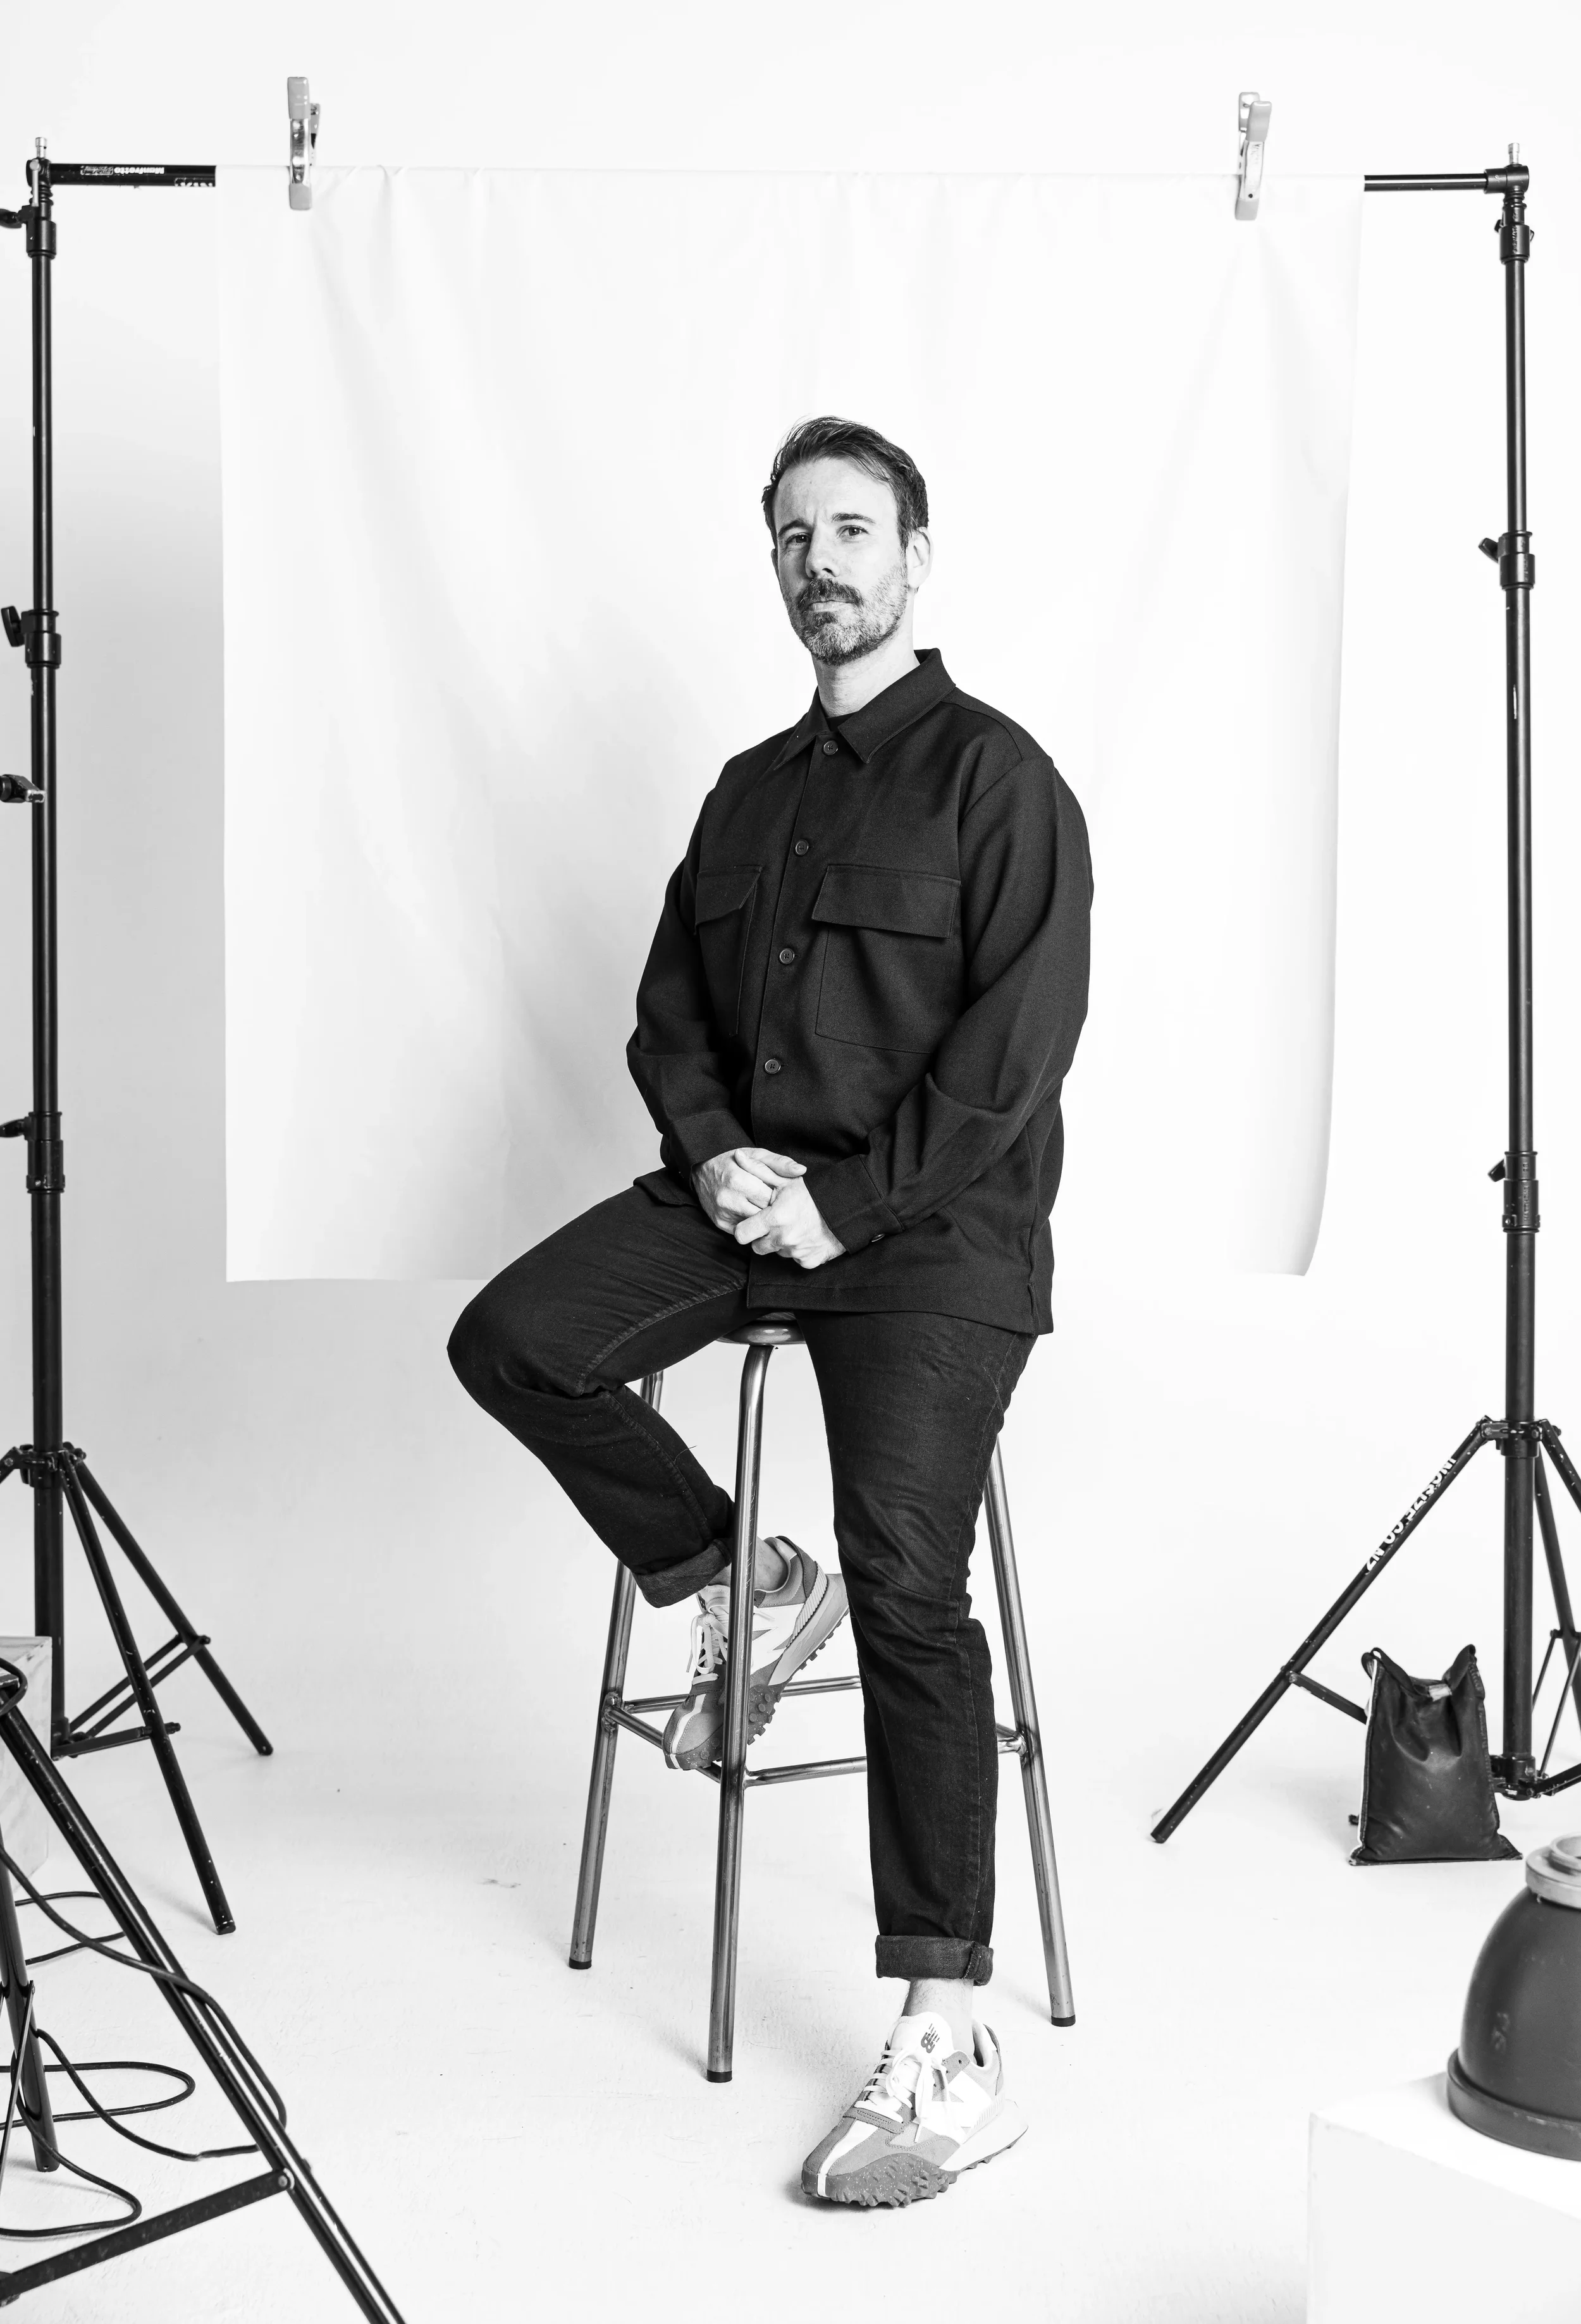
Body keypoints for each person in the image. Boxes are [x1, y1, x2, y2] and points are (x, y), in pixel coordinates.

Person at [448, 414, 1092, 2206]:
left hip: (930, 1235)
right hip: (750, 1204)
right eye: (794, 535)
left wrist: (842, 1199)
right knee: (513, 1338)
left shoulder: (998, 779)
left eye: (855, 530)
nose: (822, 561)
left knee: (911, 1573)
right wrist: (724, 1156)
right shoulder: (746, 791)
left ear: (916, 554)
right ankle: (742, 1577)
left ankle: (948, 2031)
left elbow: (1012, 1061)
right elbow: (668, 1017)